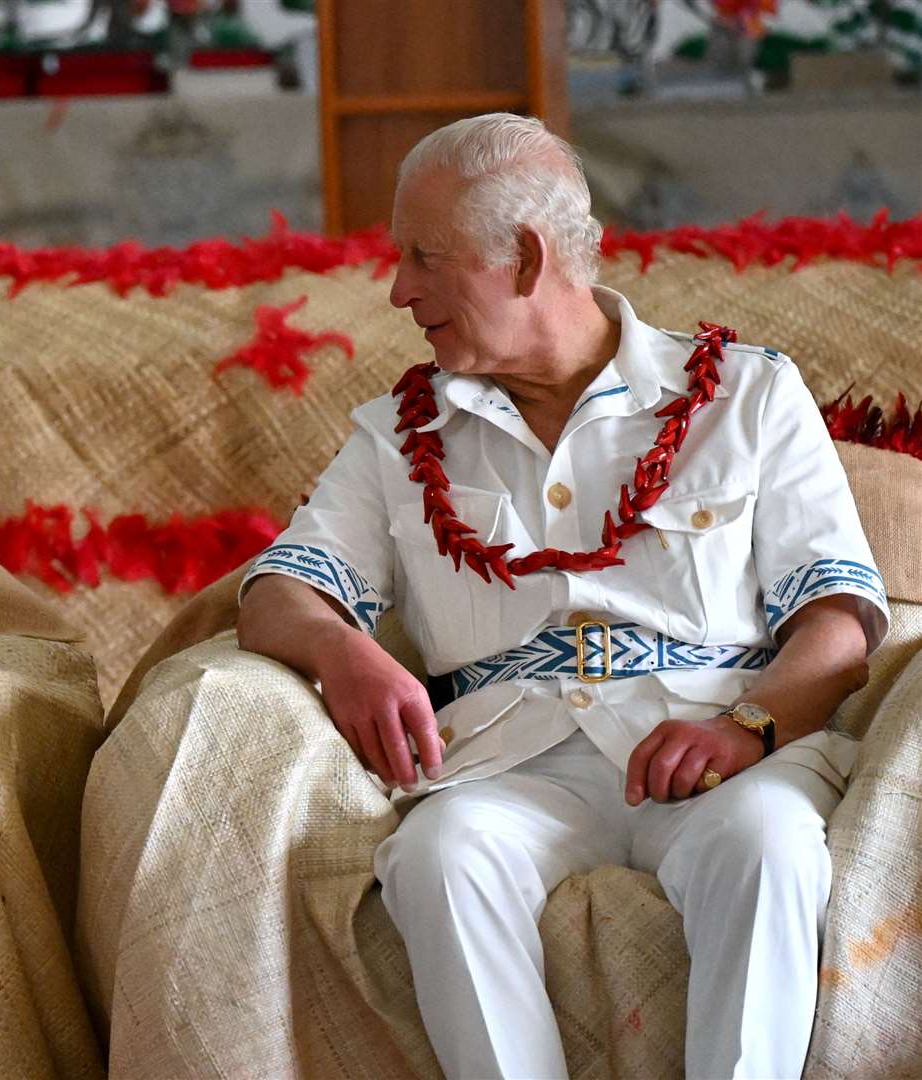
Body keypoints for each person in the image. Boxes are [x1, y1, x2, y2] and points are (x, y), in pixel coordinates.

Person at [237, 114, 887, 1079]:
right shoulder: (397, 434)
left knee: (768, 845)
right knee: (439, 855)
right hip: (512, 768)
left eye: (425, 257)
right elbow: (274, 593)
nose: (397, 289)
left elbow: (838, 621)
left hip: (719, 753)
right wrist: (347, 654)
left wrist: (747, 728)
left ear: (527, 257)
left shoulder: (746, 395)